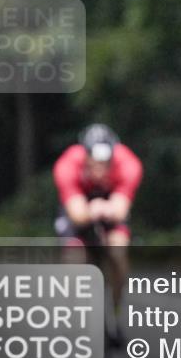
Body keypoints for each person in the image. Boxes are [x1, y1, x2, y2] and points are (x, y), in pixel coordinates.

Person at [53, 123, 142, 333]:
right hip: (80, 207)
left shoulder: (128, 164)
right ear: (85, 157)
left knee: (118, 252)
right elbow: (77, 214)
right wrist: (92, 210)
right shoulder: (67, 165)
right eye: (94, 164)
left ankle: (117, 309)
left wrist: (104, 209)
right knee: (74, 258)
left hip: (110, 207)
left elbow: (120, 210)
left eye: (105, 164)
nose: (99, 171)